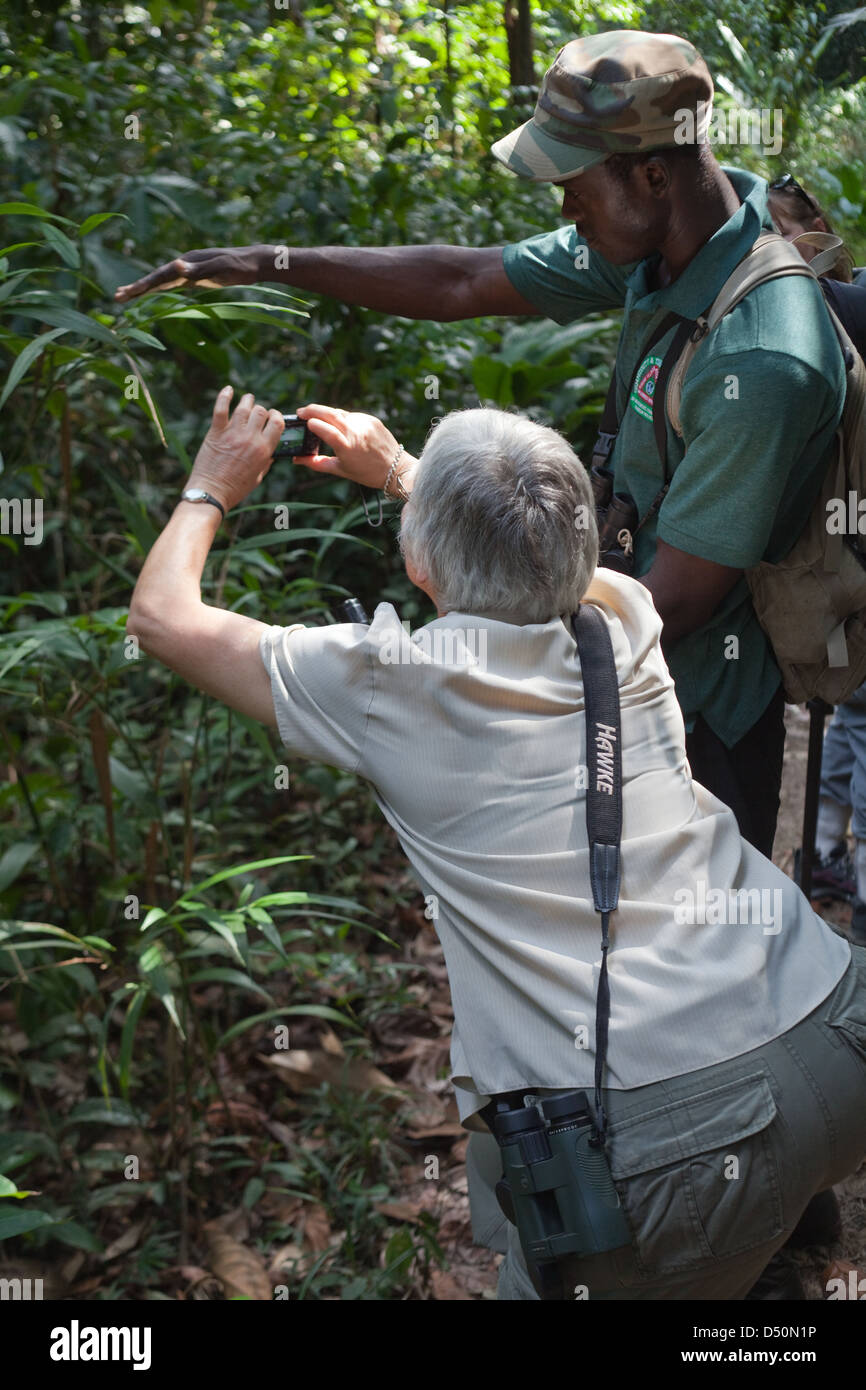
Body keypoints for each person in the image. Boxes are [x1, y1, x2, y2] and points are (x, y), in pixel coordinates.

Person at [126, 385, 866, 1301]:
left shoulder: (386, 685)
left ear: (416, 559)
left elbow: (162, 617)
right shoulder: (622, 617)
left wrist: (211, 484)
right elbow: (531, 555)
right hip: (833, 1023)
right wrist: (406, 470)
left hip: (670, 1123)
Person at [114, 29, 847, 868]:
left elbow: (661, 610)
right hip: (613, 661)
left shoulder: (761, 359)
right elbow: (461, 280)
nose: (566, 213)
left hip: (693, 714)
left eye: (573, 188)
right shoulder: (671, 242)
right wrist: (269, 261)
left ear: (651, 174)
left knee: (690, 950)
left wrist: (441, 673)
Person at [768, 175, 866, 946]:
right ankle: (835, 869)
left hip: (842, 558)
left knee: (855, 723)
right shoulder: (838, 302)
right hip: (842, 559)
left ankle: (830, 859)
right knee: (855, 722)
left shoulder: (833, 305)